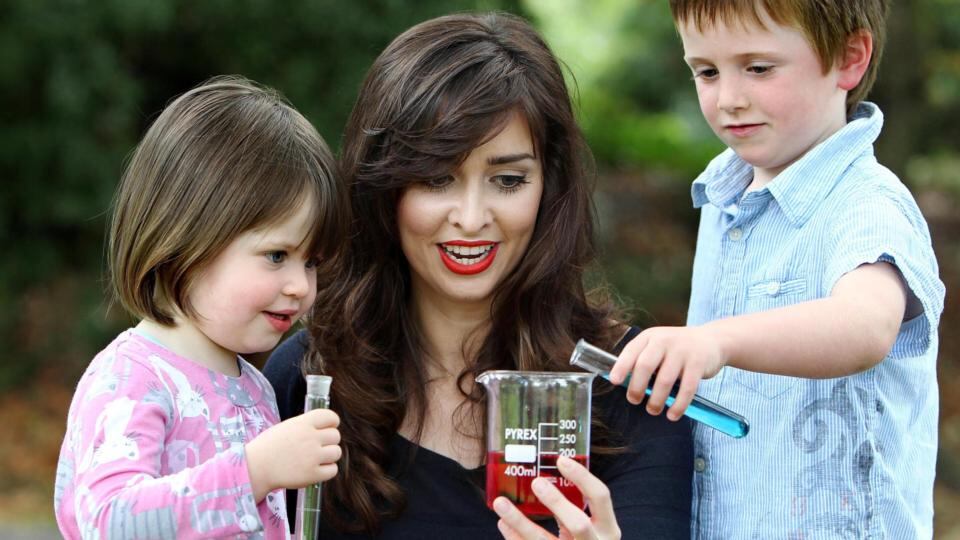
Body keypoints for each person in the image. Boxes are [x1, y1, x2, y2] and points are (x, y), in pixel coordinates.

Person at [264, 12, 693, 540]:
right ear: (383, 187)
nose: (471, 217)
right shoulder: (307, 378)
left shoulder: (630, 389)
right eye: (436, 177)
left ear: (549, 187)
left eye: (508, 180)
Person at [608, 1, 946, 537]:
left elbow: (866, 325)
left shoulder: (867, 203)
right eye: (707, 72)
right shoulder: (724, 198)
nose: (729, 99)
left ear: (849, 59)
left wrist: (716, 341)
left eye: (759, 68)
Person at [53, 76, 345, 539]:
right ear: (189, 238)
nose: (300, 286)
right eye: (276, 256)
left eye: (311, 263)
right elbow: (108, 520)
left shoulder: (254, 389)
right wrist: (253, 471)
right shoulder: (131, 379)